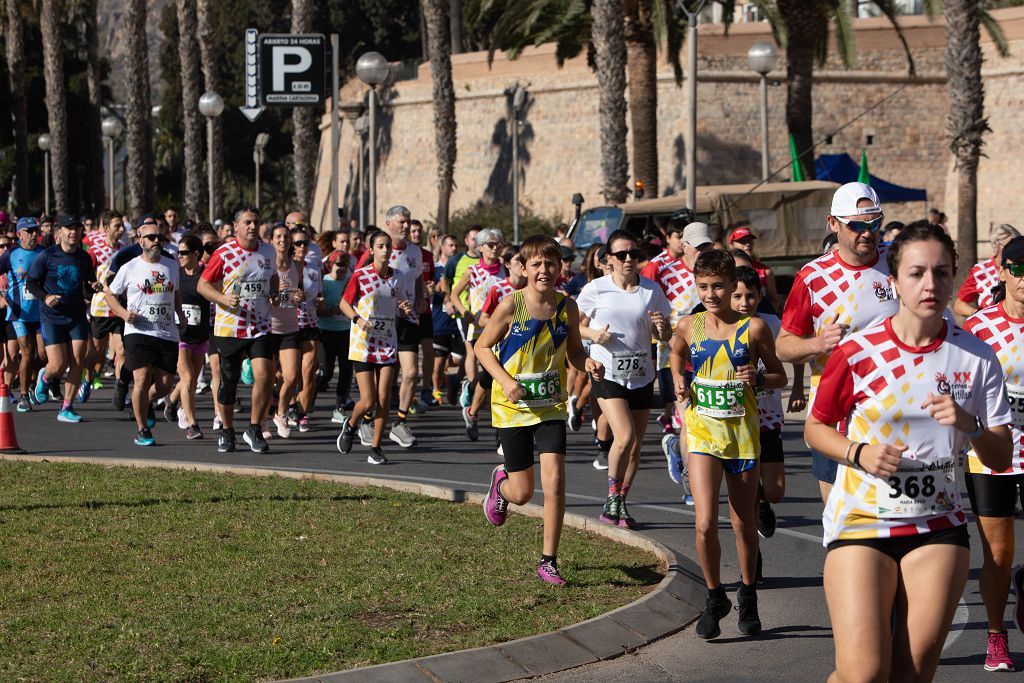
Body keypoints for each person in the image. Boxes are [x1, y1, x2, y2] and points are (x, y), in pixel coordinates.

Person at [805, 223, 1012, 683]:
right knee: (863, 675)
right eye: (916, 273)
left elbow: (999, 456)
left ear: (955, 277)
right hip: (861, 523)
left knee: (912, 675)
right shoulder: (858, 352)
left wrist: (969, 425)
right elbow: (816, 430)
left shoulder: (976, 357)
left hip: (936, 526)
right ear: (893, 281)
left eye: (941, 273)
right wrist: (858, 453)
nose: (930, 285)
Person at [670, 249, 787, 639]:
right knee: (704, 523)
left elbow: (779, 377)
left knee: (742, 523)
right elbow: (674, 352)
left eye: (718, 286)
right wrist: (678, 380)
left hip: (741, 437)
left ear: (731, 284)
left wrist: (756, 378)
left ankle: (748, 594)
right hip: (703, 432)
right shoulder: (690, 325)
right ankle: (714, 595)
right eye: (703, 287)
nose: (711, 294)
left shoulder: (753, 329)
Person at [477, 235, 604, 586]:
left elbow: (574, 352)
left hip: (550, 406)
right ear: (523, 268)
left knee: (556, 481)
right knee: (523, 493)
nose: (544, 270)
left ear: (560, 266)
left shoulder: (568, 307)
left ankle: (549, 561)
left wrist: (588, 362)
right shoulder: (510, 305)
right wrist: (505, 381)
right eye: (536, 264)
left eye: (551, 263)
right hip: (512, 407)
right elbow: (482, 348)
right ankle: (501, 487)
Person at [776, 182, 899, 504]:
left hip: (894, 408)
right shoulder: (813, 277)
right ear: (833, 224)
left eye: (874, 224)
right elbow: (783, 345)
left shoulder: (898, 263)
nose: (867, 233)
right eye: (857, 225)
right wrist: (816, 344)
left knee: (896, 516)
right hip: (835, 413)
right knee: (840, 517)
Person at [578, 230, 672, 529]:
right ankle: (610, 496)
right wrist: (594, 335)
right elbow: (572, 326)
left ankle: (620, 501)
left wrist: (662, 327)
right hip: (607, 374)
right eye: (621, 255)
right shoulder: (596, 289)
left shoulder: (651, 290)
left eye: (634, 253)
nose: (629, 259)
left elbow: (664, 336)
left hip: (641, 375)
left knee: (636, 446)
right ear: (609, 259)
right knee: (626, 435)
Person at [963, 235, 1024, 672]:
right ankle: (997, 635)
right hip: (991, 450)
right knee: (999, 554)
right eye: (1018, 269)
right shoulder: (980, 328)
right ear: (1002, 271)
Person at [197, 208, 278, 453]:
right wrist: (221, 298)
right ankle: (227, 431)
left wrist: (273, 292)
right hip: (230, 327)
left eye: (256, 222)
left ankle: (253, 429)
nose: (253, 227)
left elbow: (272, 276)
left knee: (265, 375)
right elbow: (203, 285)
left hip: (260, 325)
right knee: (228, 382)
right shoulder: (224, 252)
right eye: (247, 222)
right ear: (236, 227)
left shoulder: (268, 250)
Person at [336, 230, 415, 465]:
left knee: (383, 398)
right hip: (363, 344)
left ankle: (376, 447)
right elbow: (344, 303)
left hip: (387, 343)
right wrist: (358, 319)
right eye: (380, 246)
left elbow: (399, 304)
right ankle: (351, 425)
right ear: (371, 250)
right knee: (368, 400)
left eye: (388, 246)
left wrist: (404, 308)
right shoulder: (361, 276)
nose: (385, 250)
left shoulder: (398, 276)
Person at [730, 265, 786, 579]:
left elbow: (791, 355)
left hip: (768, 418)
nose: (744, 302)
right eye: (737, 295)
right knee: (745, 494)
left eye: (750, 295)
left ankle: (765, 503)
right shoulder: (720, 327)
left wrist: (764, 378)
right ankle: (753, 558)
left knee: (775, 490)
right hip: (736, 422)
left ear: (759, 296)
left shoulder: (773, 324)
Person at [106, 223, 184, 446]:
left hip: (166, 332)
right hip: (138, 330)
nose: (156, 241)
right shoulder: (130, 267)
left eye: (159, 237)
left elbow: (175, 293)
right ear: (140, 240)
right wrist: (123, 314)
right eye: (150, 237)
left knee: (165, 385)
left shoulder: (171, 264)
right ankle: (142, 430)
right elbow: (110, 295)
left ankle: (145, 401)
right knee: (141, 377)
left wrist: (181, 316)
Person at [355, 206, 424, 448]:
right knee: (380, 385)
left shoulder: (416, 252)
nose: (406, 226)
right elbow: (358, 282)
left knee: (412, 372)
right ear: (389, 224)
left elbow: (418, 280)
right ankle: (366, 419)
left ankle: (400, 422)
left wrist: (418, 301)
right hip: (378, 324)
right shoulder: (376, 252)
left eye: (408, 222)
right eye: (402, 222)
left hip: (406, 320)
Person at [26, 215, 97, 423]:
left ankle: (66, 408)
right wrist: (45, 297)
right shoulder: (47, 256)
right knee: (58, 365)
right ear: (60, 233)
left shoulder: (84, 258)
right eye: (69, 228)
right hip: (52, 317)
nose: (74, 232)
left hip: (76, 316)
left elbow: (88, 281)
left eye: (77, 228)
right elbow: (31, 283)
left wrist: (94, 287)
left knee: (78, 361)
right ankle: (45, 377)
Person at [451, 228, 506, 440]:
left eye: (498, 244)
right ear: (480, 247)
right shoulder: (473, 271)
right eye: (490, 244)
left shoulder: (506, 271)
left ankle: (475, 414)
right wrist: (465, 313)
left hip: (502, 330)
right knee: (493, 374)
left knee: (495, 375)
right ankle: (490, 422)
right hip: (479, 330)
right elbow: (455, 294)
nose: (495, 248)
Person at [163, 234, 210, 439]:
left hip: (200, 336)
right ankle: (193, 425)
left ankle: (171, 400)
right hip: (179, 335)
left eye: (184, 253)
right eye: (178, 253)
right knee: (189, 379)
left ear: (196, 254)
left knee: (186, 383)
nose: (179, 256)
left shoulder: (206, 276)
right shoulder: (176, 274)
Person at [0, 217, 46, 412]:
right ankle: (24, 396)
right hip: (19, 313)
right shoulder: (10, 254)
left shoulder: (44, 253)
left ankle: (40, 380)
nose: (34, 234)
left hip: (42, 313)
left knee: (43, 355)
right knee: (27, 353)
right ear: (19, 234)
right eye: (29, 231)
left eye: (36, 230)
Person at [266, 224, 306, 439]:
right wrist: (271, 294)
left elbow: (301, 292)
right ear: (271, 240)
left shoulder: (297, 265)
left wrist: (300, 296)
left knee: (291, 377)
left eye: (286, 236)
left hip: (290, 326)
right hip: (268, 326)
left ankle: (280, 413)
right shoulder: (266, 264)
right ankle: (262, 421)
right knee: (268, 378)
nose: (283, 240)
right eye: (279, 236)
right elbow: (260, 295)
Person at [85, 211, 127, 404]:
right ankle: (87, 381)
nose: (120, 230)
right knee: (97, 352)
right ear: (106, 227)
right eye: (116, 226)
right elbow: (85, 275)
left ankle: (121, 389)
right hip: (100, 309)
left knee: (122, 351)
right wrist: (91, 285)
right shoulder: (95, 251)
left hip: (119, 307)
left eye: (122, 226)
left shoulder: (126, 251)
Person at [291, 227, 322, 432]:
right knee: (289, 375)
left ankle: (302, 413)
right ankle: (287, 403)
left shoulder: (314, 269)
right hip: (288, 325)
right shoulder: (284, 268)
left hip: (310, 323)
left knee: (308, 371)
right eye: (298, 243)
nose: (303, 247)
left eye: (306, 243)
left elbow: (319, 294)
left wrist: (320, 300)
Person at [953, 223, 1021, 318]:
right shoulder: (981, 270)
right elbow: (959, 305)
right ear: (996, 245)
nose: (1014, 250)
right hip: (991, 328)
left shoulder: (1020, 268)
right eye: (1008, 245)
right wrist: (978, 314)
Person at [318, 249, 354, 424]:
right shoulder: (323, 282)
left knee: (346, 371)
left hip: (346, 332)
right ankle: (305, 397)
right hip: (326, 332)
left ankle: (339, 407)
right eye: (339, 264)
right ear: (330, 264)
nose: (343, 268)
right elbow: (316, 309)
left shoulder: (350, 282)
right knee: (326, 373)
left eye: (346, 265)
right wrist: (329, 311)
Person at [728, 225, 782, 313]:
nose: (747, 244)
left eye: (749, 241)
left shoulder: (765, 271)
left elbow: (774, 300)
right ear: (731, 244)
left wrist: (768, 317)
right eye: (742, 241)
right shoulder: (723, 269)